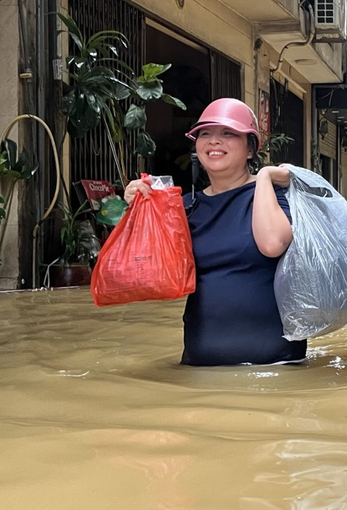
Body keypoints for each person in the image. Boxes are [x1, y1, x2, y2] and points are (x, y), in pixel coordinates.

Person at [124, 97, 305, 367]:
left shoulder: (277, 195)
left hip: (274, 368)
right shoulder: (184, 206)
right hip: (199, 368)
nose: (214, 141)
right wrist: (138, 209)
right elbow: (144, 272)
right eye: (205, 134)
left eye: (228, 133)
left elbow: (272, 243)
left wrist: (266, 177)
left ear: (250, 150)